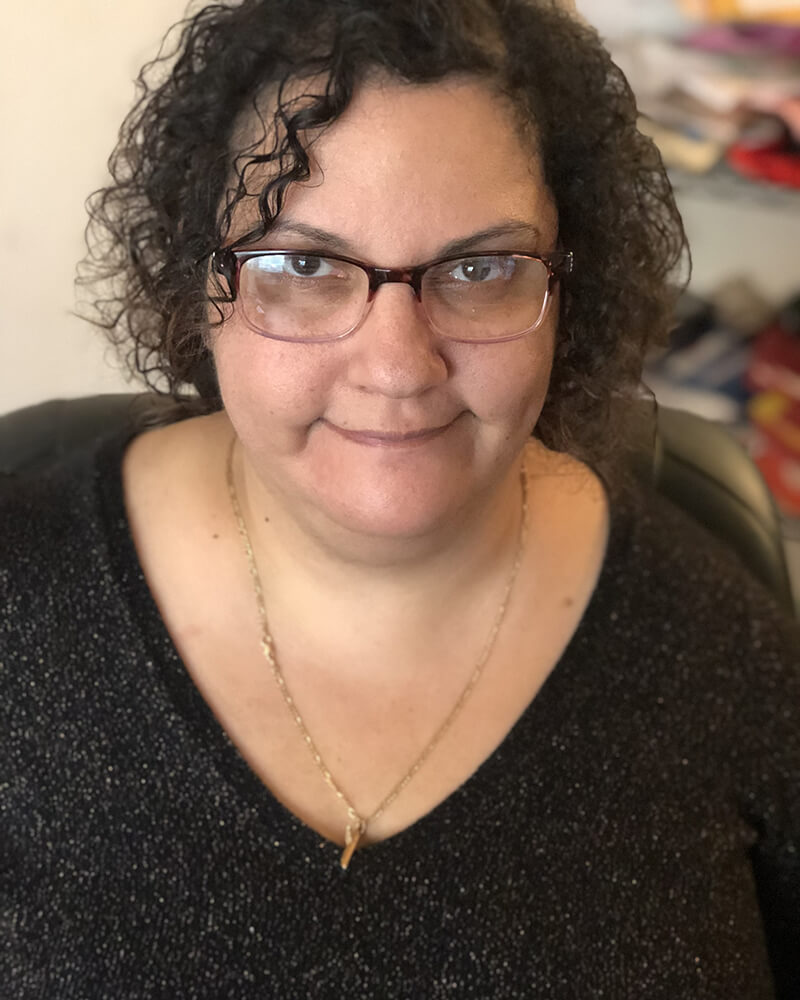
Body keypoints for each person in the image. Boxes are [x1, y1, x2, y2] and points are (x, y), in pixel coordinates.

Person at [2, 0, 798, 996]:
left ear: (567, 289)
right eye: (301, 265)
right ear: (194, 283)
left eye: (478, 268)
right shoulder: (19, 597)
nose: (396, 365)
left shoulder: (729, 658)